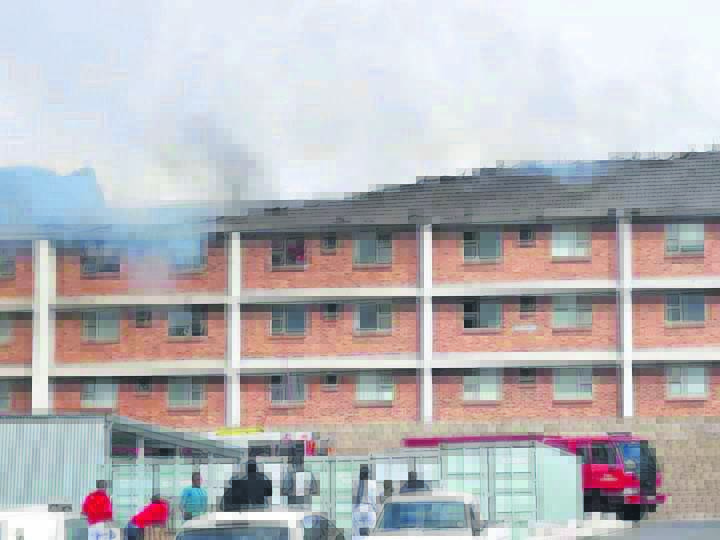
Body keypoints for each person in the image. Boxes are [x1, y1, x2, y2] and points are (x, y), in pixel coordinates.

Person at [280, 443, 319, 509]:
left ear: (293, 464)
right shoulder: (309, 473)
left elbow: (284, 491)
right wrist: (305, 491)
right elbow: (315, 490)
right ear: (302, 463)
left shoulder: (290, 474)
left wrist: (293, 492)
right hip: (306, 504)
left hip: (293, 504)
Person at [351, 464, 378, 540]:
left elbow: (353, 500)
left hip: (358, 509)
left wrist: (352, 511)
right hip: (369, 510)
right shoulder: (372, 483)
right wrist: (376, 511)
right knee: (370, 535)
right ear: (368, 474)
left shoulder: (355, 483)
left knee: (357, 534)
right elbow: (374, 500)